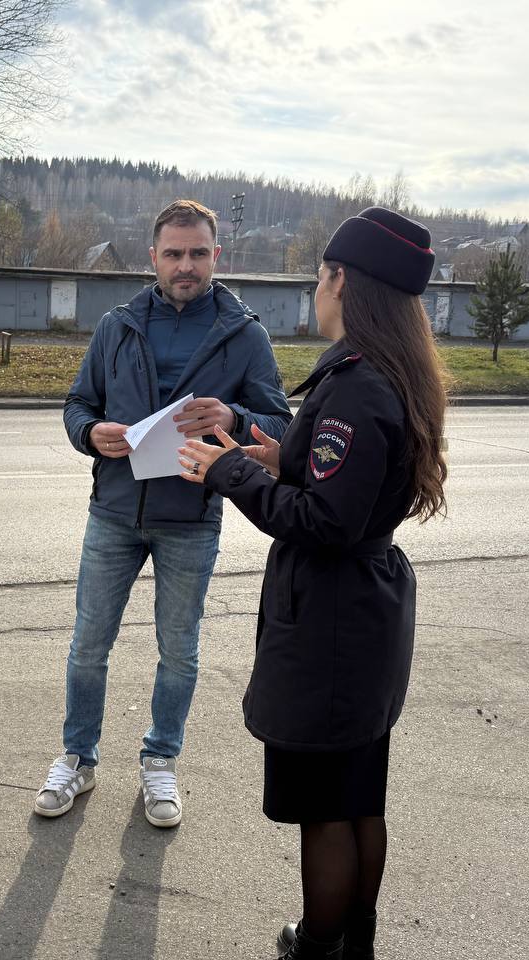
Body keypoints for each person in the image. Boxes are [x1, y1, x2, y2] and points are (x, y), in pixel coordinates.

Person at [177, 207, 449, 958]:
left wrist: (227, 469)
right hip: (363, 615)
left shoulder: (360, 386)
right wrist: (273, 454)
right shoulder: (384, 370)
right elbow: (346, 485)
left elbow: (325, 521)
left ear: (342, 282)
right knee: (359, 798)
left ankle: (320, 944)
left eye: (320, 277)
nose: (316, 293)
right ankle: (352, 941)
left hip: (333, 623)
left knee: (328, 812)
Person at [36, 199, 293, 828]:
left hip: (193, 518)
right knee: (88, 646)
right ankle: (78, 756)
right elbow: (77, 404)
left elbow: (281, 427)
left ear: (216, 256)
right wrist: (89, 431)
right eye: (173, 253)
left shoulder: (245, 334)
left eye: (197, 253)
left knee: (178, 652)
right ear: (152, 257)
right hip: (114, 511)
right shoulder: (116, 325)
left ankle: (159, 761)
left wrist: (237, 419)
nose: (186, 265)